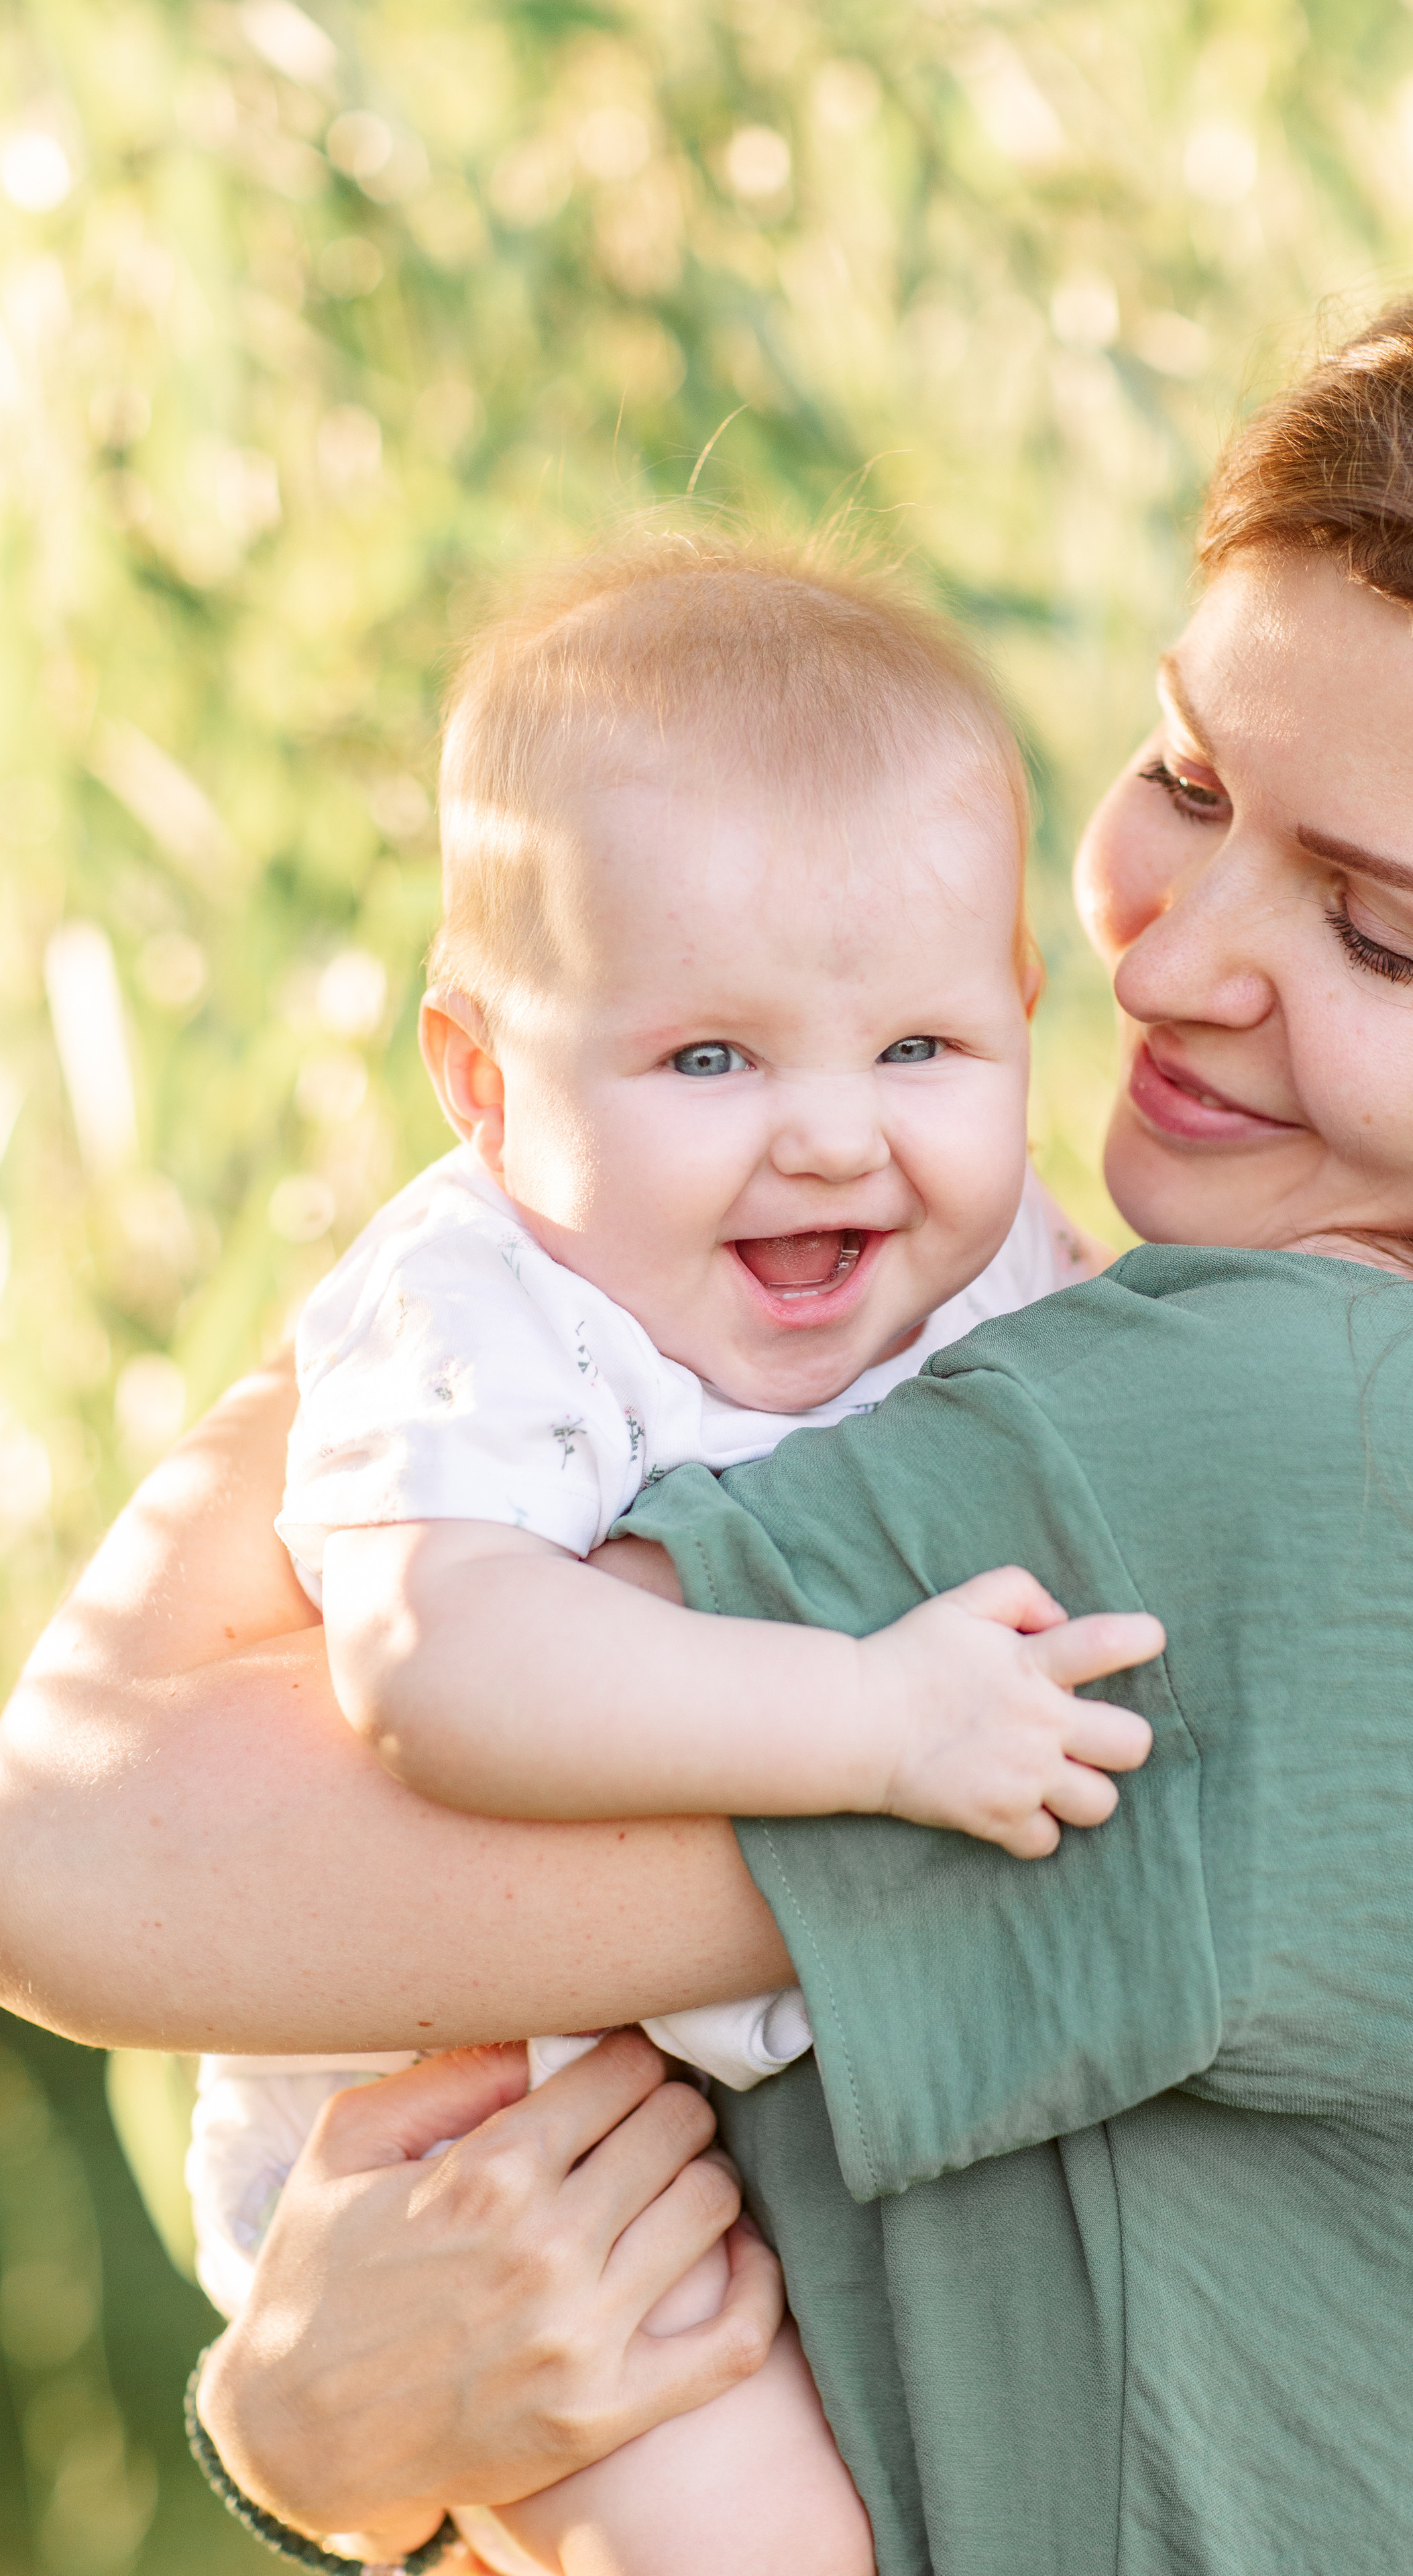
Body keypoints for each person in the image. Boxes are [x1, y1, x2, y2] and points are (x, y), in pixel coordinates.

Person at [5, 257, 1413, 2576]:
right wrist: (338, 2438)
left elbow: (86, 1855)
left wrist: (480, 1241)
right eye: (1188, 778)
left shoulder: (1315, 1440)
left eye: (1382, 937)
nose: (1172, 955)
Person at [186, 537, 1158, 2576]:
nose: (829, 1134)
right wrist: (876, 1722)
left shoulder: (992, 1260)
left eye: (919, 1048)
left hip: (768, 2101)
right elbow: (443, 1666)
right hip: (504, 2147)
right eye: (710, 1059)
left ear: (1020, 1014)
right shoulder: (483, 1306)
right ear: (482, 1082)